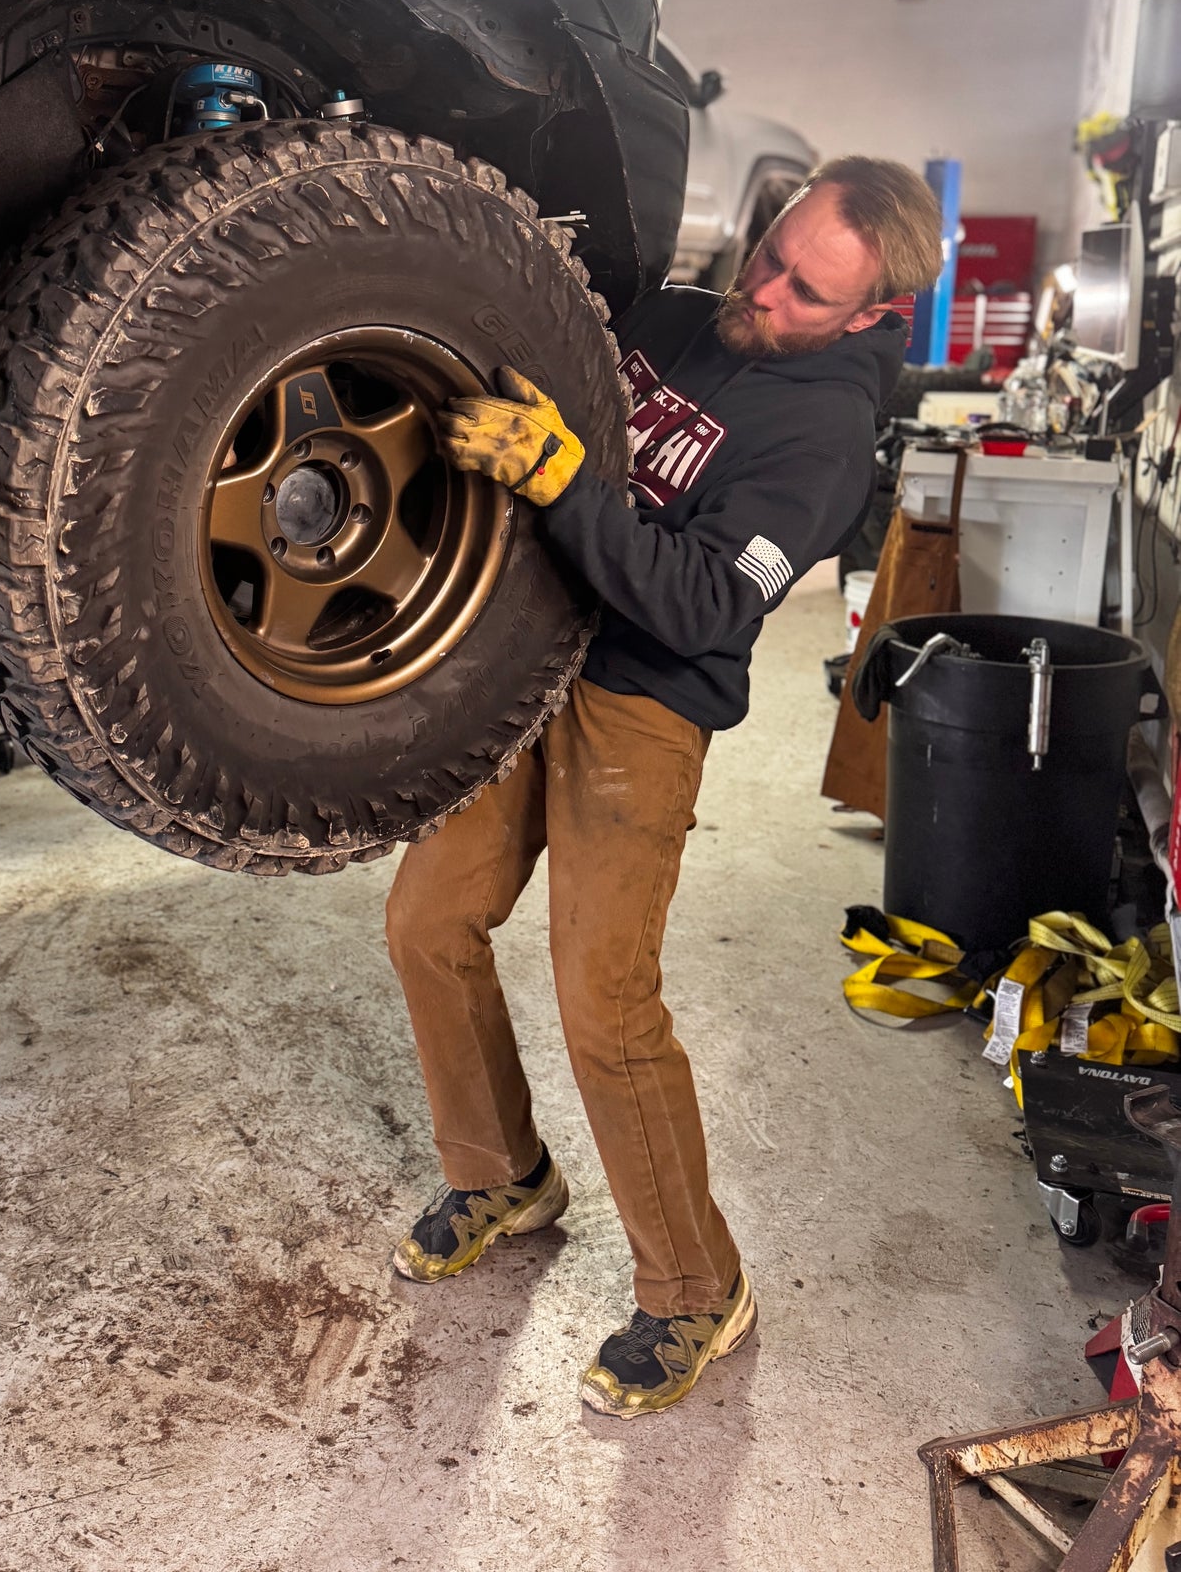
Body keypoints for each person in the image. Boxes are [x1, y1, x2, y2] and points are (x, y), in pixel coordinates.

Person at [384, 155, 945, 1418]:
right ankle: (503, 1172)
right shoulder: (683, 316)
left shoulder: (821, 445)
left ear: (867, 316)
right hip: (534, 641)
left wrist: (562, 478)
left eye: (806, 290)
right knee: (426, 919)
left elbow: (699, 599)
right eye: (771, 250)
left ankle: (697, 1288)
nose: (766, 287)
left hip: (647, 698)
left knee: (604, 992)